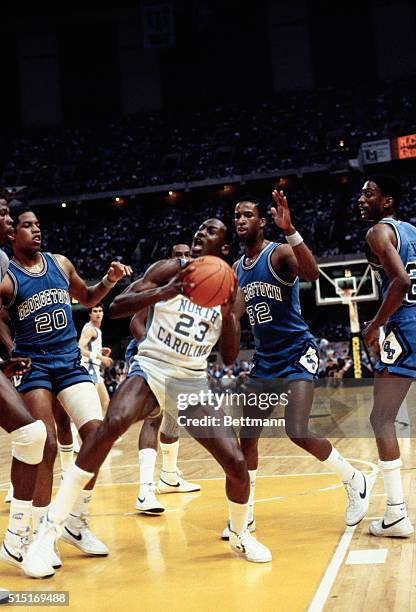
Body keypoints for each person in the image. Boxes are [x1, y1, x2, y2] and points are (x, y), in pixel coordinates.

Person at [23, 218, 272, 578]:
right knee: (109, 427)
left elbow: (231, 356)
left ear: (225, 248)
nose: (200, 233)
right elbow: (119, 307)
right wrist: (165, 291)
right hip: (151, 368)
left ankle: (240, 533)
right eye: (199, 228)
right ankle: (49, 530)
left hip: (190, 381)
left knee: (234, 461)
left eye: (211, 231)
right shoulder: (170, 268)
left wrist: (228, 312)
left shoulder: (231, 286)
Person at [221, 191, 372, 539]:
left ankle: (354, 479)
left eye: (247, 215)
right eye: (236, 216)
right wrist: (220, 313)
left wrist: (290, 230)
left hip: (297, 352)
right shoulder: (235, 270)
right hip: (265, 361)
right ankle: (246, 516)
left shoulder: (279, 252)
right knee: (247, 439)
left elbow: (313, 272)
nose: (240, 220)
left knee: (297, 429)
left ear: (261, 221)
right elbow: (236, 316)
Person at [0, 207, 131, 565]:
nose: (35, 230)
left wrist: (110, 279)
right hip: (35, 366)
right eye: (26, 226)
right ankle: (43, 531)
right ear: (12, 236)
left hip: (68, 361)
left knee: (97, 436)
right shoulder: (8, 277)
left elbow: (88, 298)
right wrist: (11, 351)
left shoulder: (59, 263)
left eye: (37, 225)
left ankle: (74, 521)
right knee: (45, 445)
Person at [359, 174, 415, 537]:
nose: (361, 198)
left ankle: (396, 513)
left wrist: (376, 323)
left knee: (382, 418)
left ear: (388, 201)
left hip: (405, 329)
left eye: (370, 193)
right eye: (360, 194)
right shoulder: (412, 230)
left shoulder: (379, 232)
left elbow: (402, 281)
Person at [129, 242, 201, 516]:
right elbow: (135, 322)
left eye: (187, 255)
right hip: (148, 354)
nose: (183, 259)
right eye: (178, 255)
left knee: (174, 415)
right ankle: (145, 491)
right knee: (154, 415)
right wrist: (156, 348)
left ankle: (169, 476)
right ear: (170, 259)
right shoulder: (158, 284)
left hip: (175, 360)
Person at [0, 199, 48, 576]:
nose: (7, 220)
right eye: (1, 214)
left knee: (33, 434)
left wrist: (7, 354)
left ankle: (16, 536)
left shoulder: (2, 261)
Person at [79, 302, 113, 413]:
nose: (98, 313)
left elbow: (89, 348)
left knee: (105, 403)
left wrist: (100, 351)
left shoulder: (95, 329)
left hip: (94, 370)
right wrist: (101, 357)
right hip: (89, 370)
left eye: (100, 311)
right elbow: (80, 349)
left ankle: (100, 429)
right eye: (95, 311)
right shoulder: (91, 329)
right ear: (90, 314)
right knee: (92, 408)